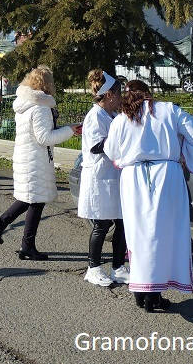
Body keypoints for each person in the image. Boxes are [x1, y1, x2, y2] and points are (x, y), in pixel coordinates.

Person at [103, 80, 193, 312]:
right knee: (164, 234)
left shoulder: (121, 119)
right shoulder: (169, 110)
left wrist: (125, 156)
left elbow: (110, 151)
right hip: (166, 178)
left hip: (134, 179)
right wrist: (188, 158)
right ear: (149, 93)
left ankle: (143, 293)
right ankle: (153, 293)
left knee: (139, 235)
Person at [0, 66, 80, 260]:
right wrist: (69, 129)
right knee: (36, 201)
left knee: (29, 198)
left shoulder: (25, 103)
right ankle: (27, 246)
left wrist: (65, 128)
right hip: (35, 159)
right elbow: (44, 137)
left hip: (27, 156)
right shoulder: (40, 107)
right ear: (47, 84)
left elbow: (38, 133)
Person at [78, 70, 128, 286]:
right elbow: (96, 146)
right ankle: (93, 268)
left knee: (122, 222)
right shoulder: (95, 116)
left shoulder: (112, 116)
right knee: (102, 224)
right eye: (119, 94)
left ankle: (118, 267)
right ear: (109, 95)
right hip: (99, 177)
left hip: (114, 177)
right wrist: (121, 141)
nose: (121, 99)